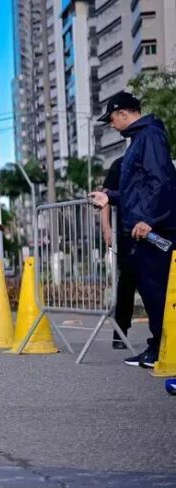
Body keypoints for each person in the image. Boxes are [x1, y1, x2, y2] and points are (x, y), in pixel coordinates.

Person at [89, 91, 176, 368]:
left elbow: (161, 181)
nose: (112, 125)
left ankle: (164, 348)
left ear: (123, 113)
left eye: (112, 119)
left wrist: (148, 219)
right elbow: (136, 190)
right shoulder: (139, 139)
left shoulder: (149, 137)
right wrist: (110, 198)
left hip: (152, 230)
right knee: (151, 292)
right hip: (142, 231)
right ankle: (158, 345)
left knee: (158, 292)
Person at [99, 156, 136, 350]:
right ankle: (120, 333)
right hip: (126, 233)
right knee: (127, 283)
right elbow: (104, 198)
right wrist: (107, 229)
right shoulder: (120, 164)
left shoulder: (160, 161)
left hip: (158, 231)